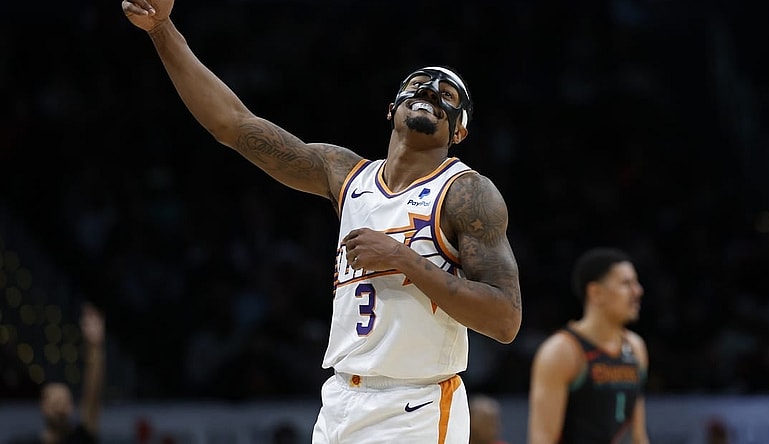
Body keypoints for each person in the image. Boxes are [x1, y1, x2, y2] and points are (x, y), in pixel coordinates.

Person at [121, 1, 522, 443]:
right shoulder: (344, 175)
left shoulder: (468, 193)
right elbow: (233, 125)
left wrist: (401, 258)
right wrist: (162, 29)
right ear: (392, 109)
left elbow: (505, 320)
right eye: (419, 85)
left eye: (447, 96)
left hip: (416, 408)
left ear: (459, 132)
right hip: (340, 400)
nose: (430, 92)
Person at [527, 247, 650, 444]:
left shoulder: (636, 347)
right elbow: (542, 439)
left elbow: (638, 436)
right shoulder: (562, 351)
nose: (638, 291)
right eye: (627, 283)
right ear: (596, 292)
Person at [12, 303, 106, 444]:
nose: (60, 408)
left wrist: (95, 348)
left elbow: (92, 397)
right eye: (55, 403)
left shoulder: (81, 438)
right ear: (43, 406)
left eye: (64, 402)